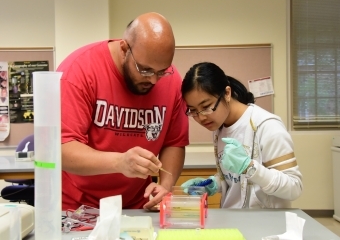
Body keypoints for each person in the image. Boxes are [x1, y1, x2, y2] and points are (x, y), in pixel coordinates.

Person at [57, 12, 189, 210]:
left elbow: (174, 142)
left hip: (137, 205)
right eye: (145, 70)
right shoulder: (79, 71)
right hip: (79, 206)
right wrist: (119, 162)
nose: (153, 80)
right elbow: (62, 148)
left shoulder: (171, 80)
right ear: (124, 48)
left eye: (161, 71)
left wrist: (165, 185)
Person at [181, 62, 303, 208]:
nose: (201, 118)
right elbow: (237, 180)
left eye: (206, 107)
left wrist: (250, 168)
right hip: (234, 221)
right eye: (193, 110)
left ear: (227, 93)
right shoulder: (219, 127)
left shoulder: (267, 126)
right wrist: (214, 183)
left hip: (265, 226)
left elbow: (294, 188)